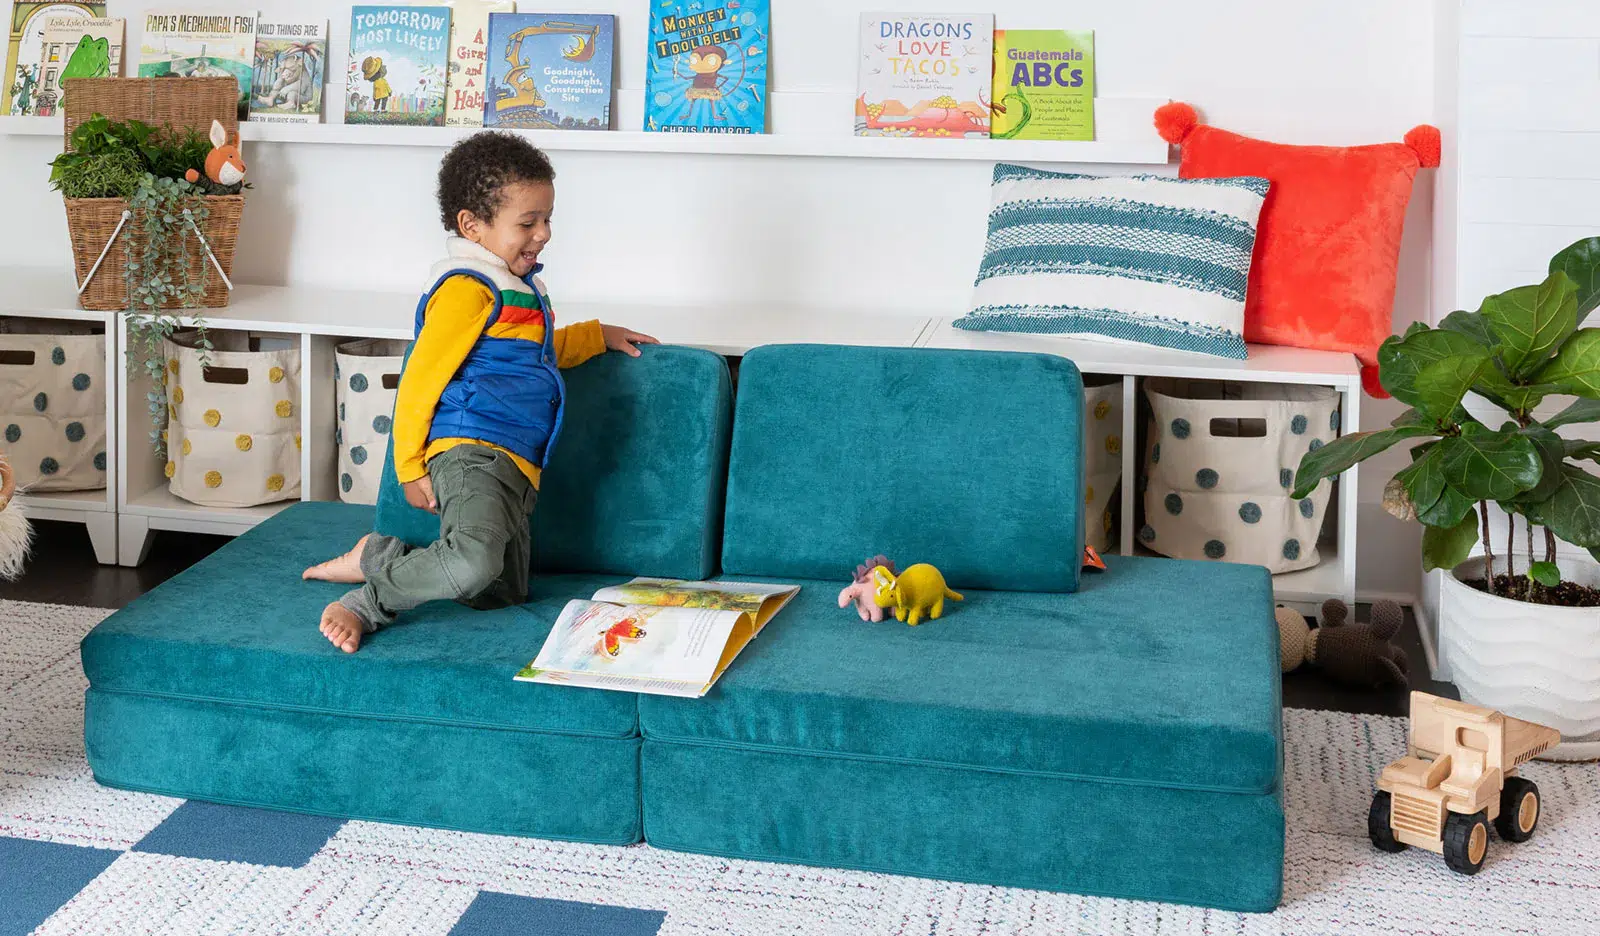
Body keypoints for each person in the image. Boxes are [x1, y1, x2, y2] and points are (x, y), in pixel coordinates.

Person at [304, 132, 656, 653]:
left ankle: (380, 555)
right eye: (528, 222)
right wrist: (410, 467)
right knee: (472, 561)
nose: (544, 234)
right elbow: (419, 380)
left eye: (547, 219)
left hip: (516, 461)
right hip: (471, 449)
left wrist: (593, 336)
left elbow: (531, 350)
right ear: (473, 225)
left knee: (499, 591)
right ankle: (367, 601)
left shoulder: (515, 285)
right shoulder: (467, 288)